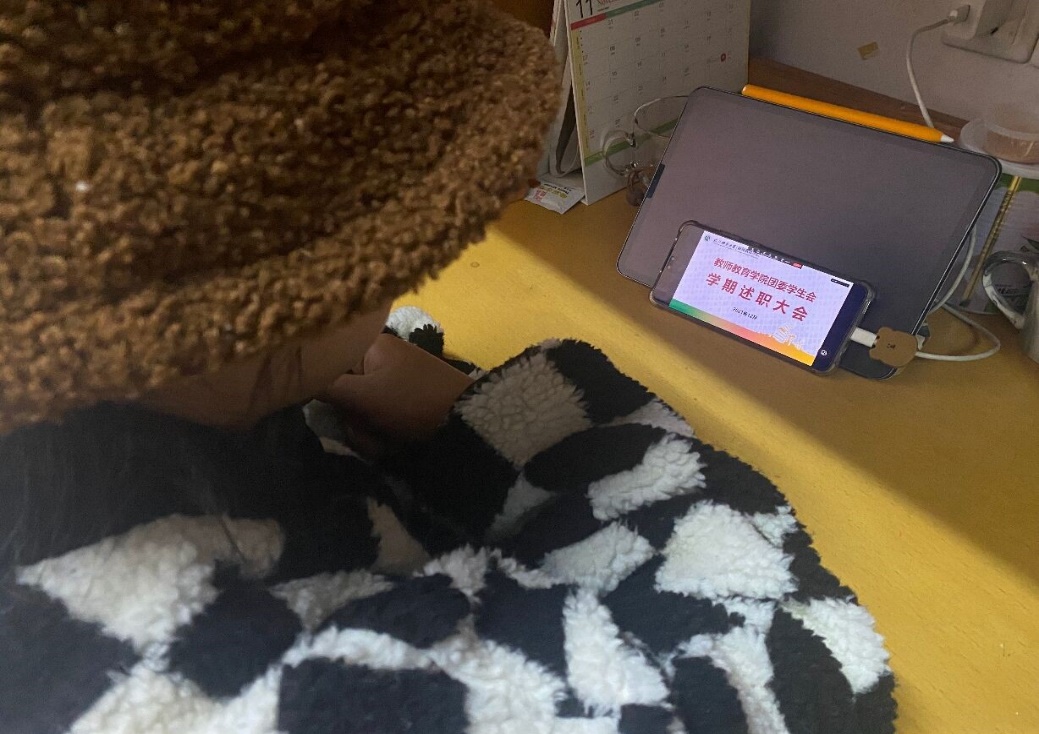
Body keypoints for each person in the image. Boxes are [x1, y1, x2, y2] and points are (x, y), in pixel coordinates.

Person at [0, 1, 897, 732]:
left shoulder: (102, 423)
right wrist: (505, 420)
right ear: (268, 308)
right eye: (405, 230)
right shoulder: (210, 671)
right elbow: (783, 666)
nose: (413, 275)